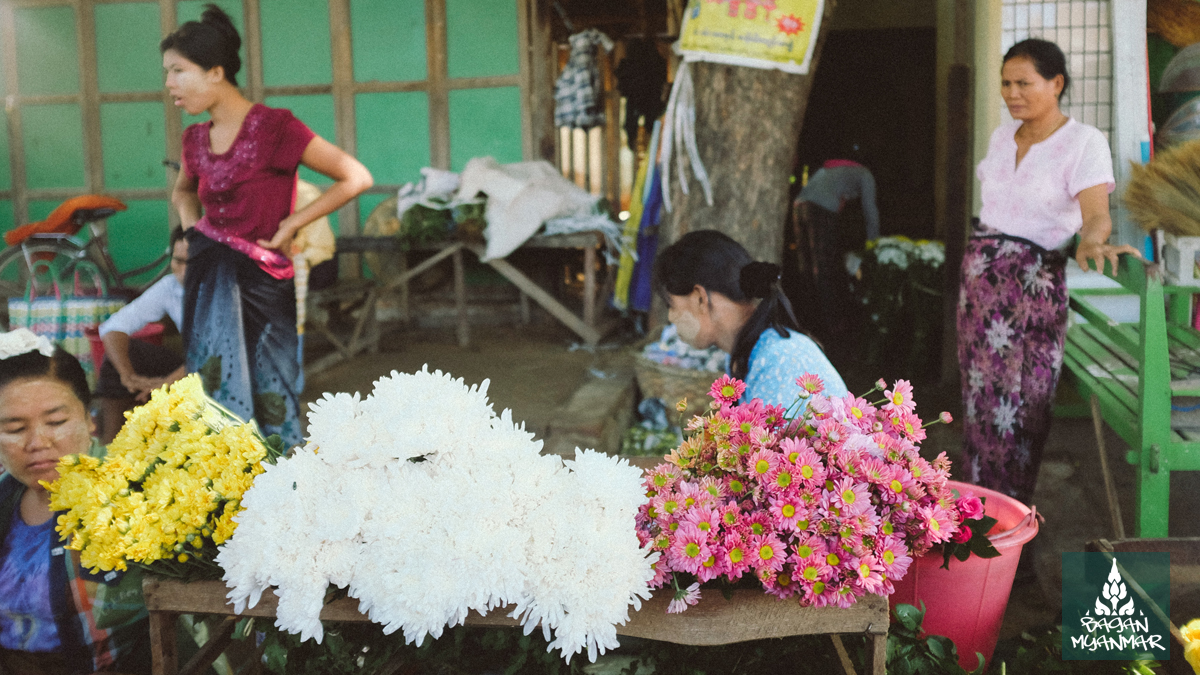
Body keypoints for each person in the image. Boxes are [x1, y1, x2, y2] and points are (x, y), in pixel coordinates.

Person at [162, 5, 373, 447]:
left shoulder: (276, 127)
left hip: (263, 279)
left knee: (274, 391)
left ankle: (285, 497)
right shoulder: (195, 139)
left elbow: (355, 177)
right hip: (208, 276)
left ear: (215, 71)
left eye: (178, 72)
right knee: (211, 392)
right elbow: (184, 191)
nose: (169, 86)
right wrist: (192, 230)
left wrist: (293, 222)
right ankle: (228, 497)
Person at [959, 38, 1139, 504]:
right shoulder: (1003, 137)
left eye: (1024, 83)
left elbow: (1095, 212)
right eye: (1005, 83)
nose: (1012, 93)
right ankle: (977, 516)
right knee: (980, 407)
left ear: (1056, 83)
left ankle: (1009, 522)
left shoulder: (1083, 142)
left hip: (1029, 293)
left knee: (1021, 409)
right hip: (980, 294)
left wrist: (1094, 240)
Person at [0, 329, 150, 675]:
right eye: (14, 428)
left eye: (56, 422)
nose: (37, 442)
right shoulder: (5, 500)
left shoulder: (135, 496)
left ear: (89, 420)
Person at [654, 230, 848, 408]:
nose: (671, 317)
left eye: (671, 305)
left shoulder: (778, 360)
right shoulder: (748, 352)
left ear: (700, 298)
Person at [96, 227, 188, 444]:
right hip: (191, 367)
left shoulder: (228, 289)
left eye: (192, 263)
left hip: (227, 374)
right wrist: (129, 376)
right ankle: (110, 450)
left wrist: (167, 381)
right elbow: (114, 327)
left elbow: (219, 354)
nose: (183, 272)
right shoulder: (170, 287)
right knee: (118, 359)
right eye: (178, 261)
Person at [793, 150, 880, 343]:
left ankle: (807, 322)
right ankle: (833, 324)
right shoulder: (866, 175)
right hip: (820, 209)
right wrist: (874, 244)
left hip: (799, 207)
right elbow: (870, 210)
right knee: (824, 268)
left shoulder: (835, 170)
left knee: (806, 268)